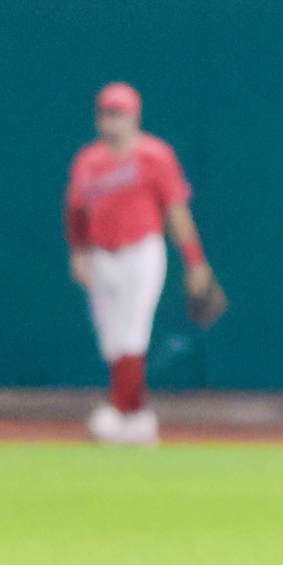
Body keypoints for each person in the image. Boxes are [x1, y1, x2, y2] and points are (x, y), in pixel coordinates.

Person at [64, 83, 214, 446]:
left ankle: (120, 410)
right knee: (112, 340)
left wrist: (195, 262)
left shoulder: (155, 156)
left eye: (120, 114)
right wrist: (79, 252)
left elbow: (176, 211)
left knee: (132, 332)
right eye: (107, 114)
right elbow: (75, 211)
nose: (113, 121)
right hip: (101, 256)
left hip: (142, 253)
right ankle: (136, 416)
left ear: (135, 116)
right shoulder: (88, 160)